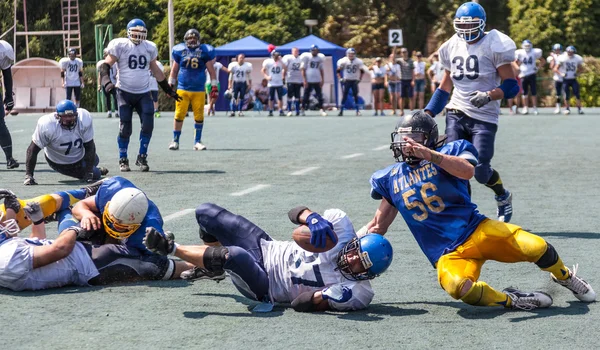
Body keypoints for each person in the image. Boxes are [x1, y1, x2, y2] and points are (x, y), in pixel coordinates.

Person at [364, 111, 595, 310]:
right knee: (459, 288)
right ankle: (513, 300)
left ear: (429, 138)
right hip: (447, 254)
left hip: (477, 230)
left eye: (414, 137)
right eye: (403, 138)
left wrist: (431, 156)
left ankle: (565, 276)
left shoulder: (453, 149)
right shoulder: (390, 177)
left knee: (537, 247)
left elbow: (467, 171)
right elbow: (378, 226)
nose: (407, 143)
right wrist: (345, 247)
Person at [144, 203, 393, 311]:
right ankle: (211, 266)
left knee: (236, 256)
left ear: (369, 276)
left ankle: (170, 249)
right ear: (354, 244)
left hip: (267, 286)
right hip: (267, 247)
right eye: (356, 254)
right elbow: (294, 212)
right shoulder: (341, 229)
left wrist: (322, 297)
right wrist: (311, 218)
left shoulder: (359, 292)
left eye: (362, 266)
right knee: (206, 214)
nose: (352, 262)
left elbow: (299, 305)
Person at [424, 2, 519, 222]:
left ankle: (502, 195)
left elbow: (512, 85)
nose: (466, 31)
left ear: (482, 24)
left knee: (481, 170)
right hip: (456, 111)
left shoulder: (494, 44)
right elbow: (445, 86)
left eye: (472, 25)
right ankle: (464, 215)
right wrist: (428, 113)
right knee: (453, 164)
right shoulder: (450, 46)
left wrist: (489, 95)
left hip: (484, 116)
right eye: (462, 25)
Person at [0, 200, 194, 292]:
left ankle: (170, 249)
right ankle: (203, 262)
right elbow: (58, 250)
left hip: (83, 255)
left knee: (100, 219)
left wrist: (37, 221)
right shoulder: (6, 258)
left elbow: (39, 244)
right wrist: (74, 231)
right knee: (154, 266)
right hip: (89, 266)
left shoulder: (6, 251)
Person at [99, 19, 181, 172]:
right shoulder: (121, 45)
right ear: (128, 32)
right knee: (125, 127)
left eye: (141, 33)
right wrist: (106, 82)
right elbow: (105, 65)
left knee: (148, 124)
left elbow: (156, 70)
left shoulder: (149, 47)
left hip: (143, 93)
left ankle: (142, 156)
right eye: (135, 32)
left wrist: (168, 90)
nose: (138, 36)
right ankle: (123, 158)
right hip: (124, 91)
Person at [24, 100, 108, 185]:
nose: (69, 120)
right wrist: (29, 175)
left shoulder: (83, 119)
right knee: (96, 174)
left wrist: (89, 173)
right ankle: (96, 170)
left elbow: (90, 146)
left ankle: (91, 168)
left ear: (76, 115)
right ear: (57, 116)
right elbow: (32, 150)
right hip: (60, 162)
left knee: (95, 160)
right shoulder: (47, 125)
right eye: (65, 117)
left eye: (71, 116)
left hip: (79, 154)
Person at [168, 29, 217, 151]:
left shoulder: (205, 51)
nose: (192, 40)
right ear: (186, 39)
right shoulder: (180, 51)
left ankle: (197, 141)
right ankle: (175, 140)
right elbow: (174, 70)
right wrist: (170, 85)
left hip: (198, 89)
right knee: (179, 114)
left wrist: (214, 86)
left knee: (199, 116)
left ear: (199, 39)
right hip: (183, 88)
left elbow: (211, 71)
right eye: (190, 38)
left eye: (194, 38)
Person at [0, 39, 19, 169]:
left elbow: (6, 73)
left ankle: (9, 158)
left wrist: (8, 95)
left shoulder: (3, 50)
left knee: (0, 124)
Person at [515, 40, 544, 115]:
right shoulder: (520, 53)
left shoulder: (534, 52)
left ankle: (534, 107)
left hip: (532, 73)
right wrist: (518, 68)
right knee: (524, 92)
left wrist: (538, 67)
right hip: (523, 74)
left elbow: (542, 61)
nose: (527, 47)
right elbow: (515, 63)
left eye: (528, 46)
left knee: (533, 91)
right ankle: (525, 107)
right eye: (526, 46)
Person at [555, 46, 584, 115]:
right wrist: (561, 74)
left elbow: (581, 69)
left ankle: (579, 108)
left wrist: (577, 74)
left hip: (573, 79)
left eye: (571, 52)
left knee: (577, 94)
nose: (570, 53)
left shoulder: (577, 58)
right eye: (569, 52)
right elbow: (556, 68)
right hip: (566, 80)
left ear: (574, 52)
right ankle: (567, 108)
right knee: (566, 95)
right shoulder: (563, 58)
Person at [337, 48, 366, 116]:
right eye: (350, 54)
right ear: (347, 54)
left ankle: (357, 110)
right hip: (347, 80)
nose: (351, 55)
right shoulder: (344, 61)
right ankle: (341, 110)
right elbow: (338, 70)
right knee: (344, 95)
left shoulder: (358, 61)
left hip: (354, 81)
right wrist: (340, 78)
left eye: (352, 54)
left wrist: (360, 79)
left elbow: (362, 71)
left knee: (355, 95)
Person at [300, 45, 327, 116]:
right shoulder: (307, 57)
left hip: (317, 79)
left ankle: (321, 109)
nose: (315, 52)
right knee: (306, 96)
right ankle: (302, 109)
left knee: (320, 96)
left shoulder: (319, 58)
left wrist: (322, 79)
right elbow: (303, 69)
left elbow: (321, 69)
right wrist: (304, 80)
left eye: (316, 50)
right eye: (314, 50)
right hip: (309, 80)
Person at [262, 50, 287, 117]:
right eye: (275, 55)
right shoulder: (269, 62)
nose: (276, 57)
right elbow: (263, 70)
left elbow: (285, 68)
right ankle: (270, 110)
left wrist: (283, 76)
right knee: (271, 98)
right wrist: (266, 77)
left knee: (280, 97)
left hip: (279, 82)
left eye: (277, 55)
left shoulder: (281, 62)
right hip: (271, 83)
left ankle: (280, 110)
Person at [96, 49, 118, 118]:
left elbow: (118, 72)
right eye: (106, 55)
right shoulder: (102, 63)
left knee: (116, 97)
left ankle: (117, 111)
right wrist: (99, 85)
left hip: (114, 83)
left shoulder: (115, 63)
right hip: (105, 83)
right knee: (107, 98)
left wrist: (117, 77)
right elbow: (100, 75)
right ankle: (109, 111)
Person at [283, 48, 304, 116]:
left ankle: (297, 110)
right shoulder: (288, 58)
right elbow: (285, 68)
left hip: (298, 80)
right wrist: (283, 76)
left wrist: (303, 79)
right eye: (294, 51)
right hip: (290, 79)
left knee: (297, 96)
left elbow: (302, 69)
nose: (296, 52)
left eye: (297, 51)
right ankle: (289, 110)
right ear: (292, 52)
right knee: (289, 95)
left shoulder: (301, 59)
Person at [396, 48, 415, 116]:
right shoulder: (400, 61)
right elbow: (392, 59)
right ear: (401, 53)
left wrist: (413, 80)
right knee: (402, 96)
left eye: (405, 52)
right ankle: (401, 111)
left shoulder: (410, 61)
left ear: (407, 52)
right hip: (402, 80)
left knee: (411, 96)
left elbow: (413, 71)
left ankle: (411, 112)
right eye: (402, 52)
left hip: (409, 80)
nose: (404, 53)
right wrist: (395, 48)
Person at [547, 43, 564, 114]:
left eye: (558, 50)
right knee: (558, 94)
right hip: (557, 77)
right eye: (556, 50)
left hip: (565, 77)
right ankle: (558, 107)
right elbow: (551, 67)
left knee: (566, 93)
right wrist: (553, 58)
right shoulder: (552, 57)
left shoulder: (564, 56)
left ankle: (567, 107)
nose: (557, 51)